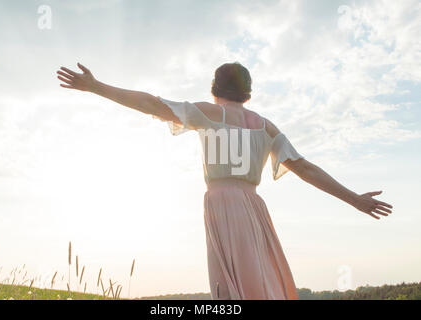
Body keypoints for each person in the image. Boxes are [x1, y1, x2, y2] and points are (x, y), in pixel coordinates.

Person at [56, 62, 393, 300]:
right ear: (247, 92)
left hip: (222, 204)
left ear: (215, 88)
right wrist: (355, 199)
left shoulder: (208, 112)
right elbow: (306, 169)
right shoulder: (264, 125)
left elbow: (149, 104)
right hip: (252, 206)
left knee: (228, 287)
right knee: (256, 278)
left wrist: (96, 87)